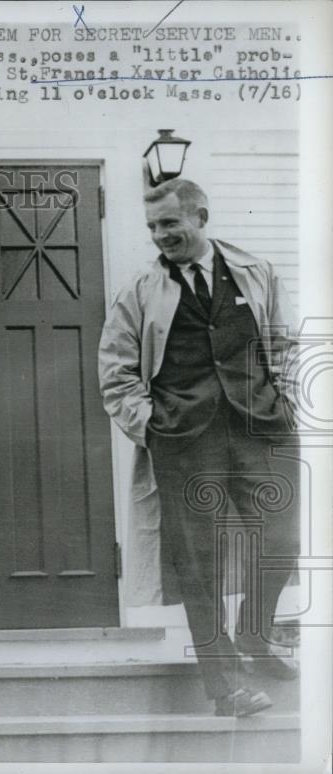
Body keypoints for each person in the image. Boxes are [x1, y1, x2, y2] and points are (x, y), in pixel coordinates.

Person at [98, 178, 299, 717]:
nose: (161, 235)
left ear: (200, 216)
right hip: (184, 442)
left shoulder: (256, 273)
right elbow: (115, 376)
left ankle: (254, 636)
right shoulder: (139, 290)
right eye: (152, 227)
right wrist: (154, 427)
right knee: (199, 563)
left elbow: (283, 345)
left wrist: (284, 406)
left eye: (170, 223)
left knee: (282, 539)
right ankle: (226, 686)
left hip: (262, 429)